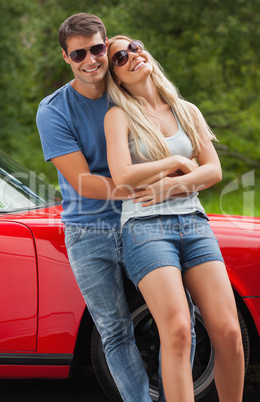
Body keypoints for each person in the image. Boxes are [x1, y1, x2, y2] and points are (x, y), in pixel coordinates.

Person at [36, 13, 196, 402]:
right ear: (66, 57)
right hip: (88, 229)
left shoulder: (128, 90)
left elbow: (174, 135)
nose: (90, 60)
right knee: (115, 329)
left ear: (106, 48)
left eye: (96, 50)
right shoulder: (54, 110)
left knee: (182, 322)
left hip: (145, 222)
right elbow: (85, 183)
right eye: (79, 54)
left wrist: (171, 187)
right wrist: (157, 187)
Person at [104, 35, 245, 402]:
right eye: (120, 56)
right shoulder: (118, 116)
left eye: (134, 46)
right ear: (116, 77)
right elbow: (122, 175)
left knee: (229, 332)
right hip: (145, 228)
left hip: (194, 224)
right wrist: (178, 163)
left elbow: (213, 171)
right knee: (179, 330)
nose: (132, 55)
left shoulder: (187, 110)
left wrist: (168, 186)